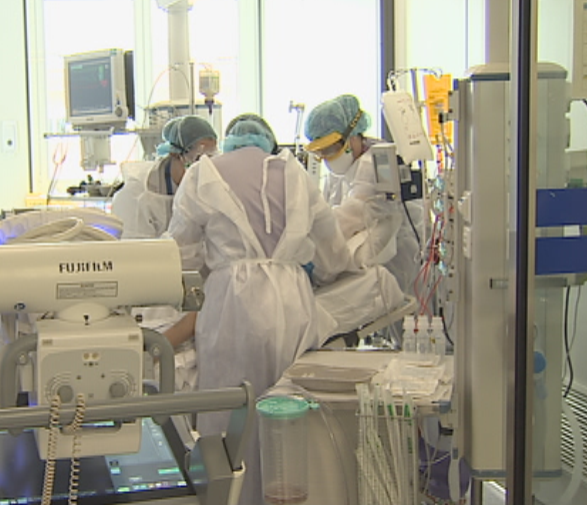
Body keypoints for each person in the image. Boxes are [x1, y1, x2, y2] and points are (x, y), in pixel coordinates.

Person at [163, 114, 353, 505]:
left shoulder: (203, 175)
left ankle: (231, 497)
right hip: (292, 303)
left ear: (228, 142)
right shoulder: (298, 174)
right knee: (291, 415)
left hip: (231, 305)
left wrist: (210, 267)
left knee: (231, 417)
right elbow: (334, 254)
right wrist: (315, 269)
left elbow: (178, 256)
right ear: (268, 142)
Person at [304, 94, 423, 296]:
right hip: (372, 270)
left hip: (398, 262)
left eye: (331, 149)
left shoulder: (375, 165)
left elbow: (353, 215)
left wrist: (311, 246)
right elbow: (329, 211)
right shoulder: (339, 172)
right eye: (320, 152)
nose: (326, 158)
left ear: (353, 136)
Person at [110, 115, 218, 239]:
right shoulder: (138, 196)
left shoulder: (205, 191)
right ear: (174, 154)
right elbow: (136, 248)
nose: (200, 171)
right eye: (196, 160)